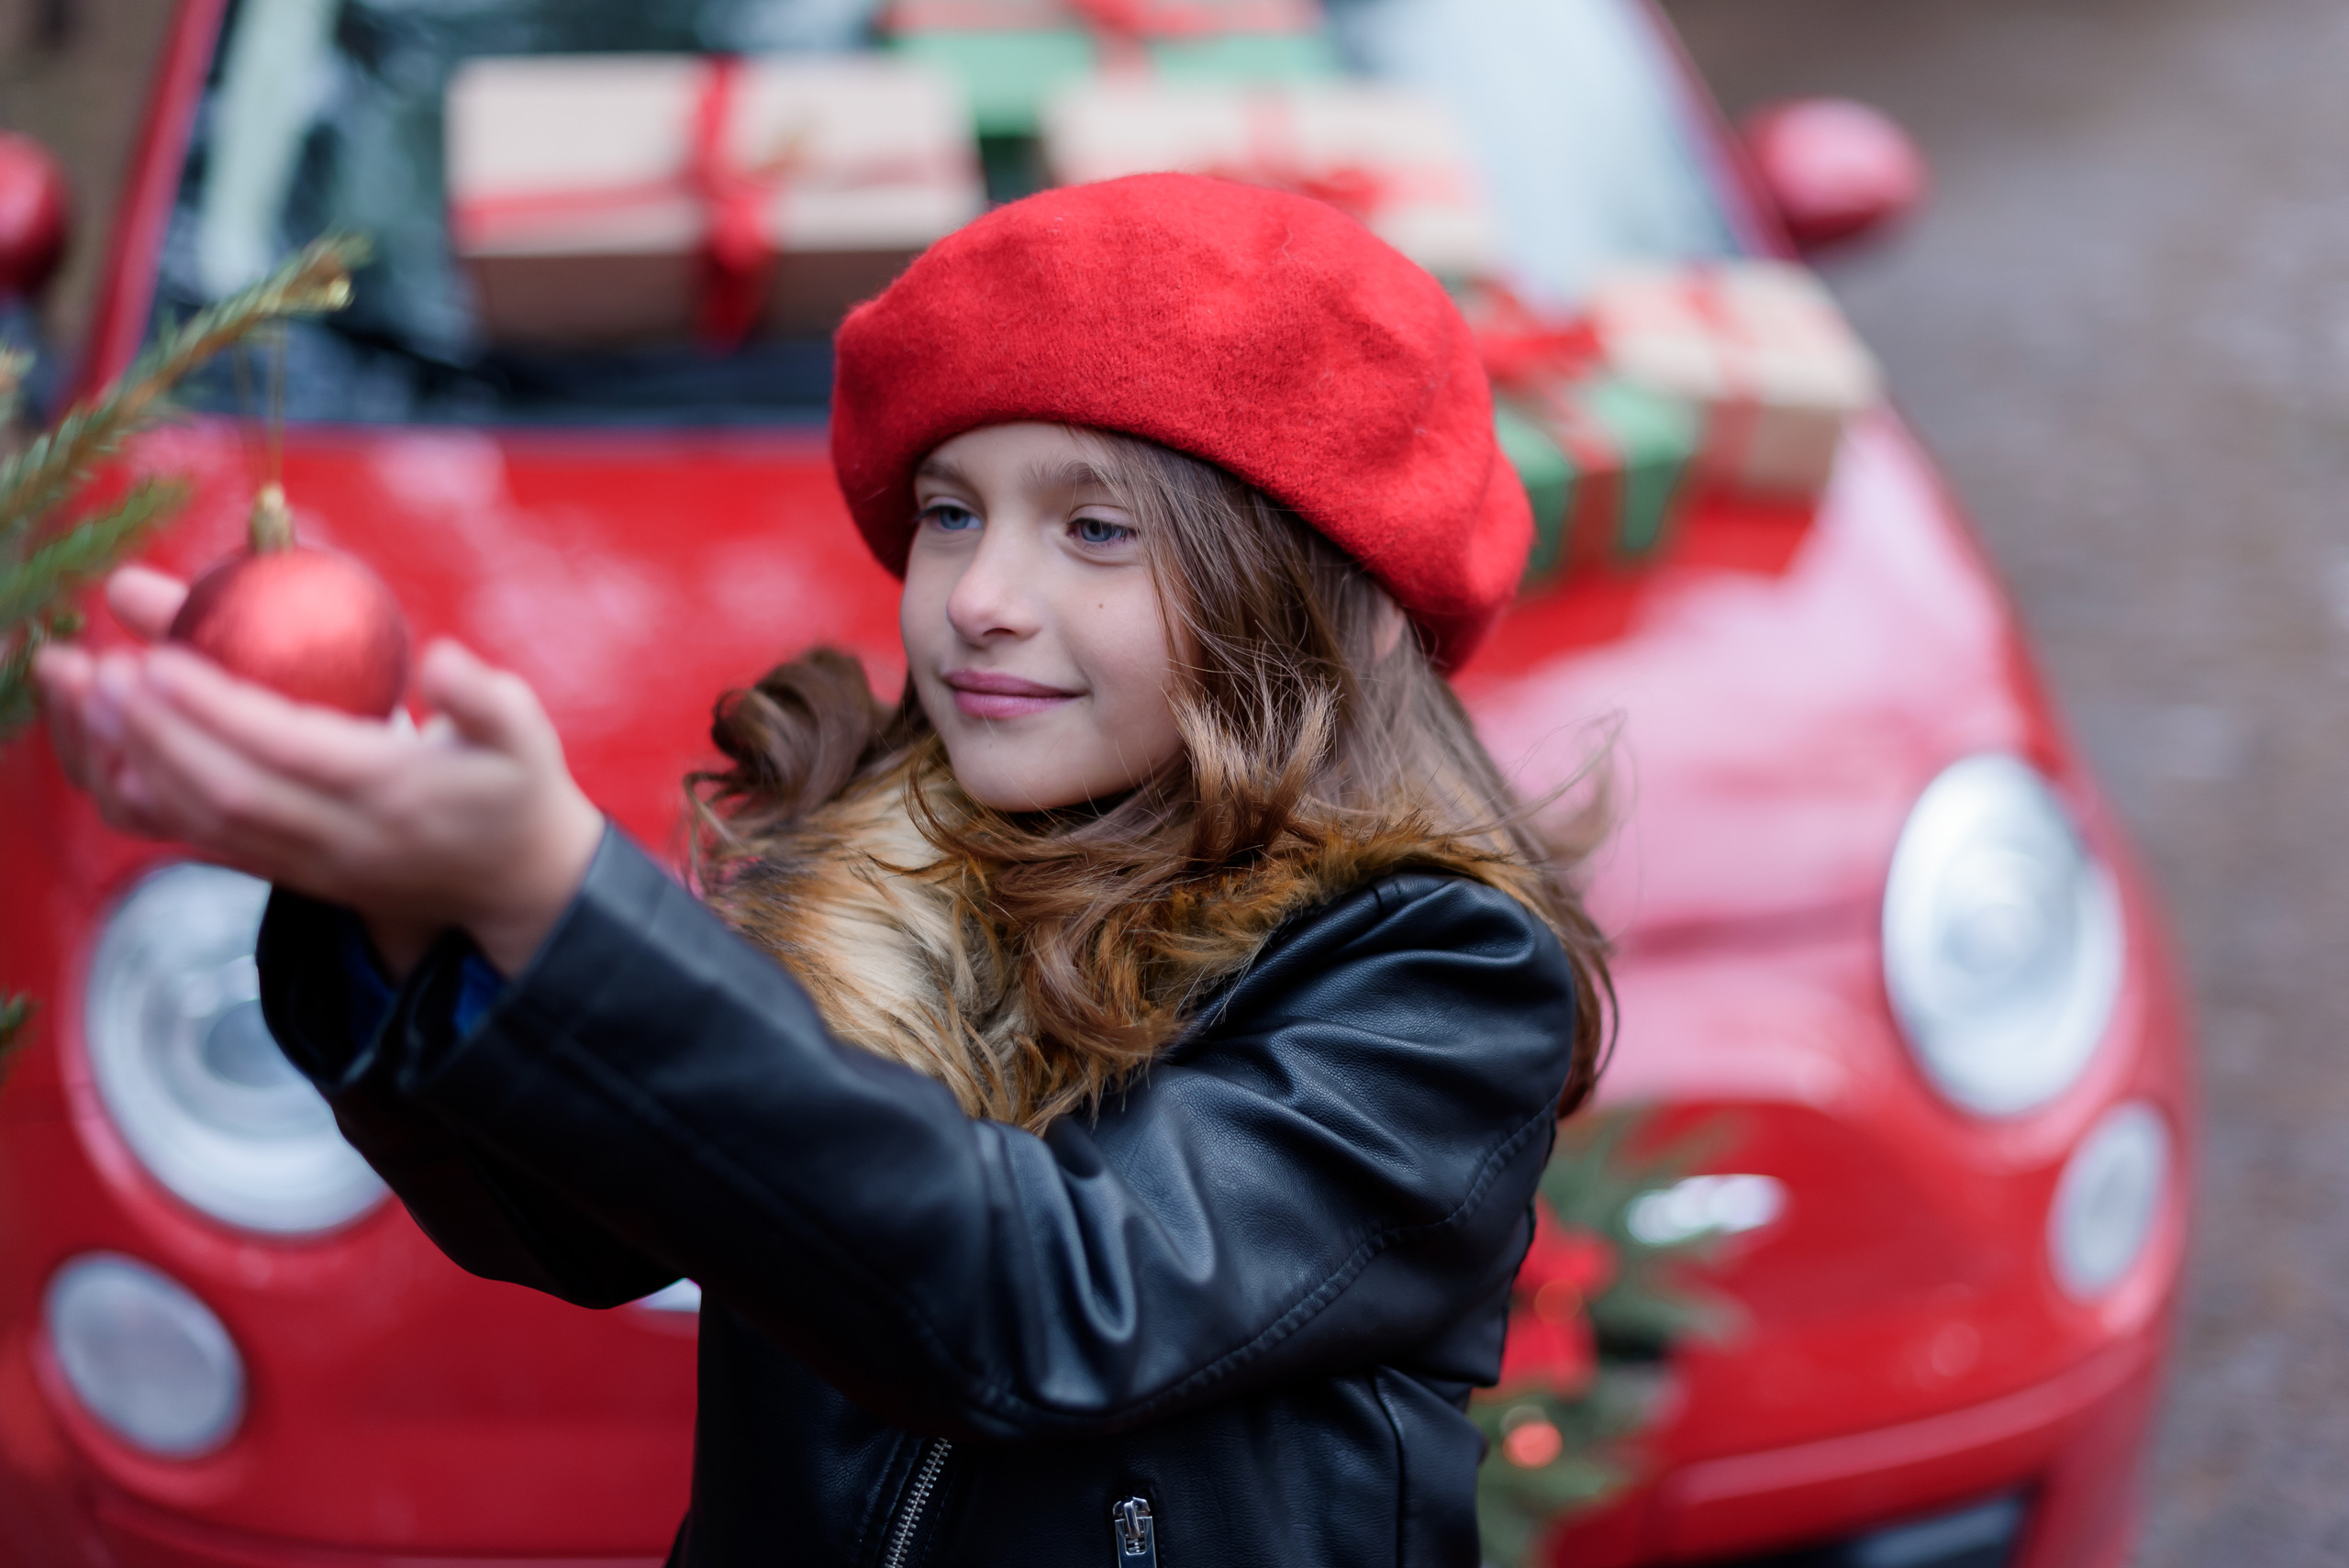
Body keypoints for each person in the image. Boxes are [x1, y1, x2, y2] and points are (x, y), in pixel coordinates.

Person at [37, 174, 1610, 1567]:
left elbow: (1053, 1301)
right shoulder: (885, 861)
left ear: (1329, 602)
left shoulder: (1437, 980)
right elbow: (579, 1227)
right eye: (949, 510)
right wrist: (387, 889)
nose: (980, 593)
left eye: (1098, 528)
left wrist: (559, 899)